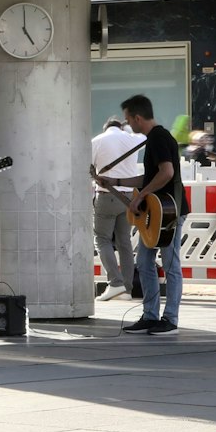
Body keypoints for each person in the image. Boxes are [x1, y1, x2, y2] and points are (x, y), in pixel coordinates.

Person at [96, 95, 183, 334]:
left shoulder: (158, 138)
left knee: (170, 264)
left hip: (170, 211)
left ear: (137, 117)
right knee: (144, 261)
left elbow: (166, 173)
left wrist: (140, 196)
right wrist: (116, 181)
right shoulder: (153, 138)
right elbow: (150, 176)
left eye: (128, 120)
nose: (127, 126)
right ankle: (151, 315)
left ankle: (170, 319)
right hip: (159, 211)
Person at [90, 116, 145, 303]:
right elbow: (144, 137)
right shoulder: (131, 138)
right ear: (121, 127)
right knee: (125, 243)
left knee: (102, 239)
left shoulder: (96, 141)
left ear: (105, 128)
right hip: (128, 198)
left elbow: (88, 168)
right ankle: (127, 290)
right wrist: (128, 131)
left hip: (106, 196)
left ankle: (115, 283)